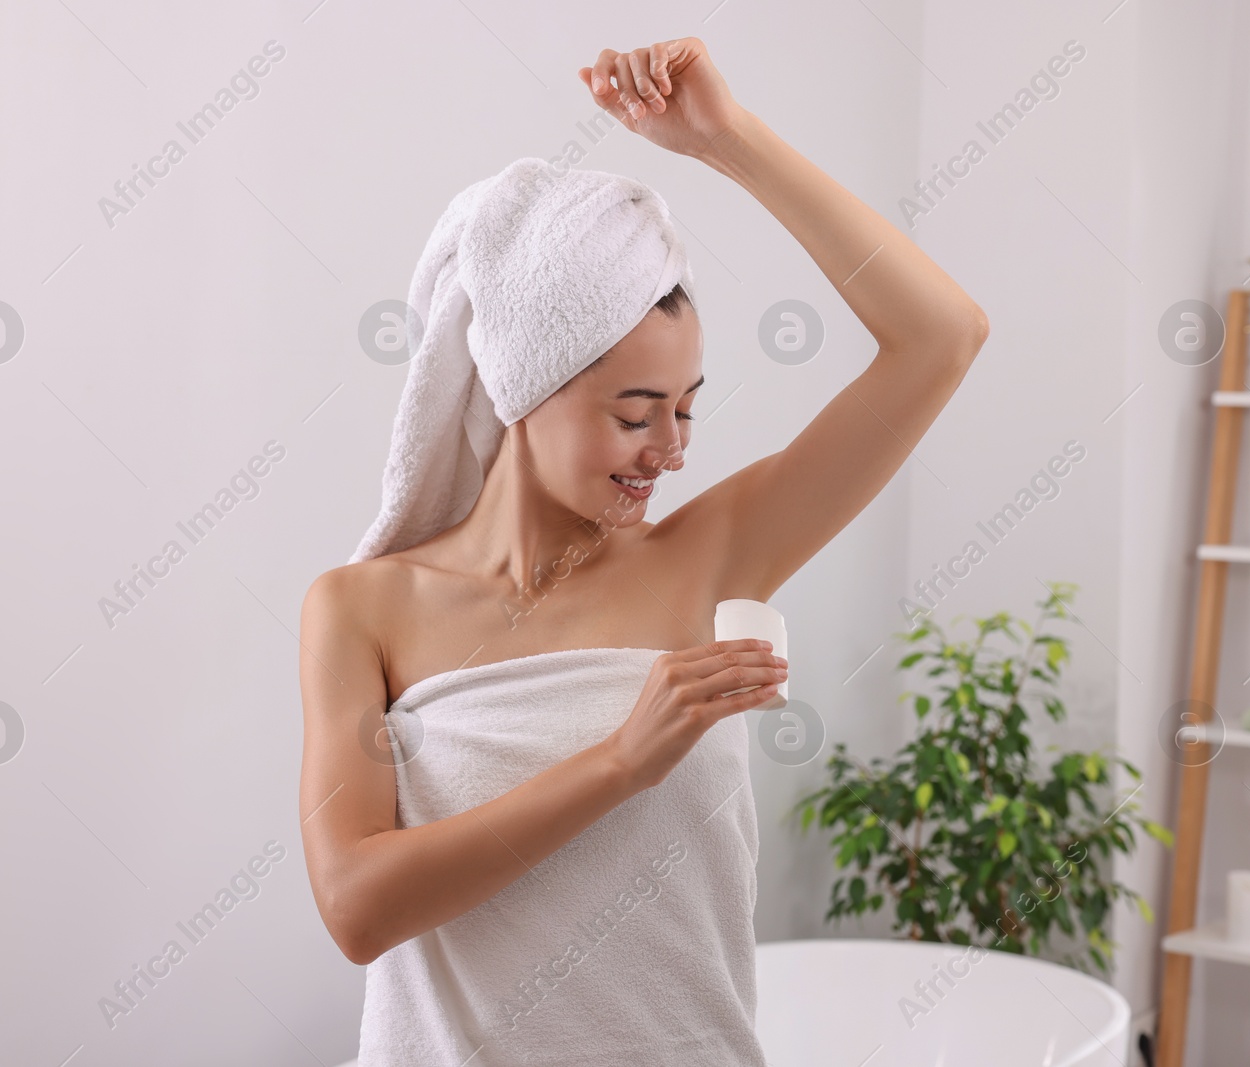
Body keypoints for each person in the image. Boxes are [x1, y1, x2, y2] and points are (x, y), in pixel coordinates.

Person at [299, 36, 988, 1067]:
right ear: (521, 391)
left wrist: (725, 139)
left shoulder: (708, 559)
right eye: (633, 413)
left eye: (685, 409)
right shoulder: (362, 608)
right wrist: (623, 759)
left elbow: (943, 334)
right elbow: (357, 906)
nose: (669, 449)